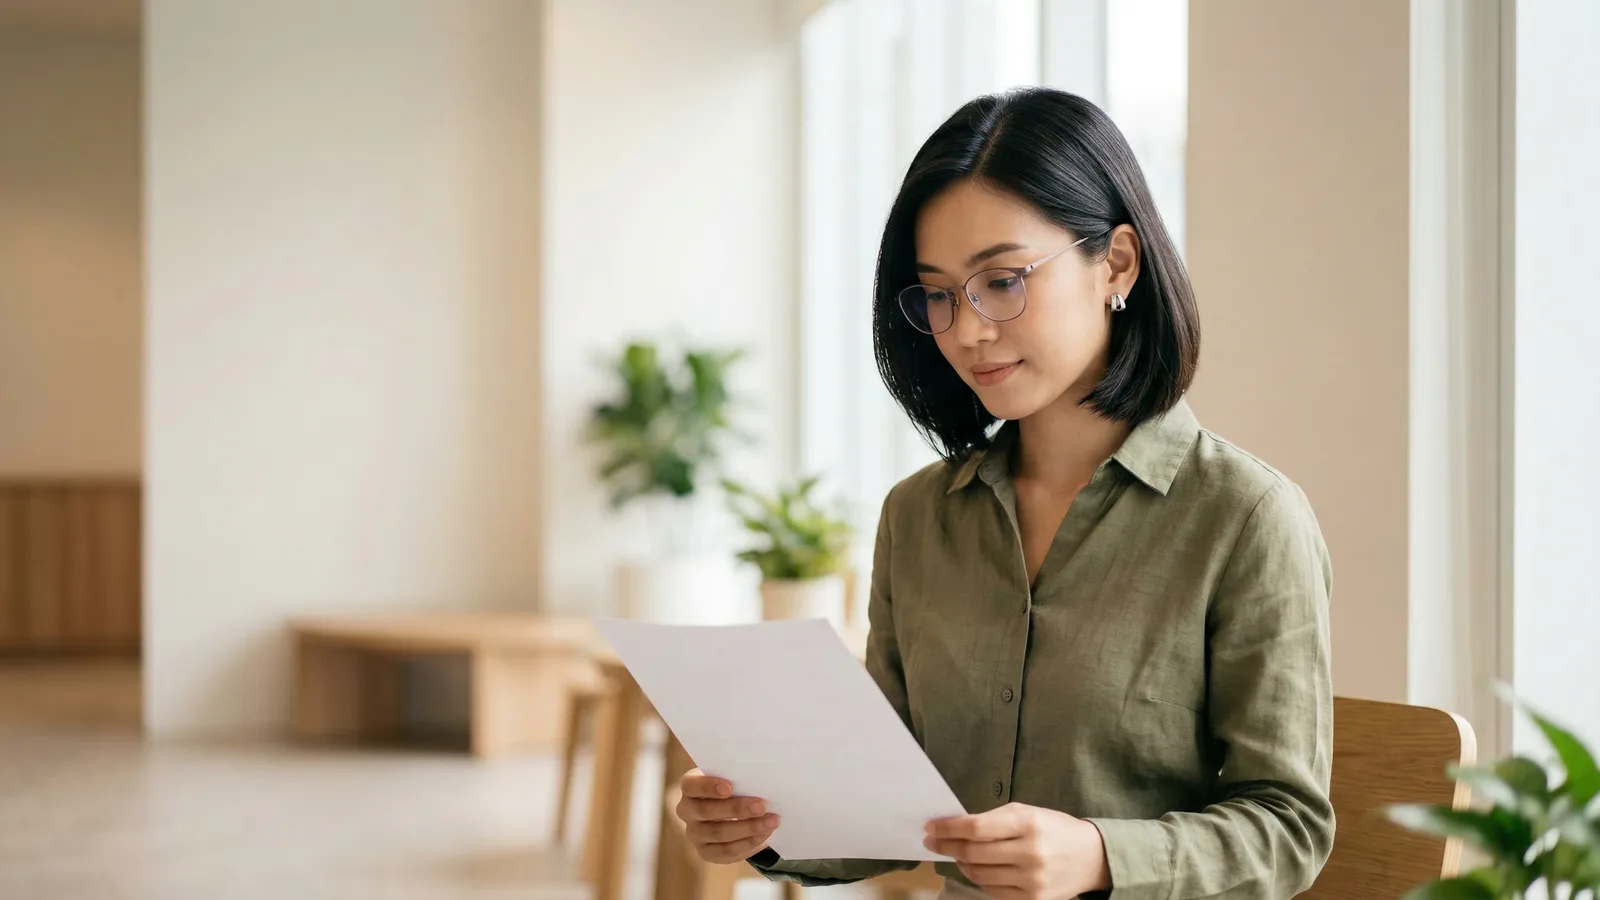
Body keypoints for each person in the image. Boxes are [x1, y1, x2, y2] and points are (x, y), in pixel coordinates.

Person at [674, 87, 1335, 899]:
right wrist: (767, 827)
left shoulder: (1246, 519)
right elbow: (889, 804)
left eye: (1002, 280)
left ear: (1116, 264)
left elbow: (1291, 826)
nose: (968, 329)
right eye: (940, 295)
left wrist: (1099, 855)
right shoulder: (917, 517)